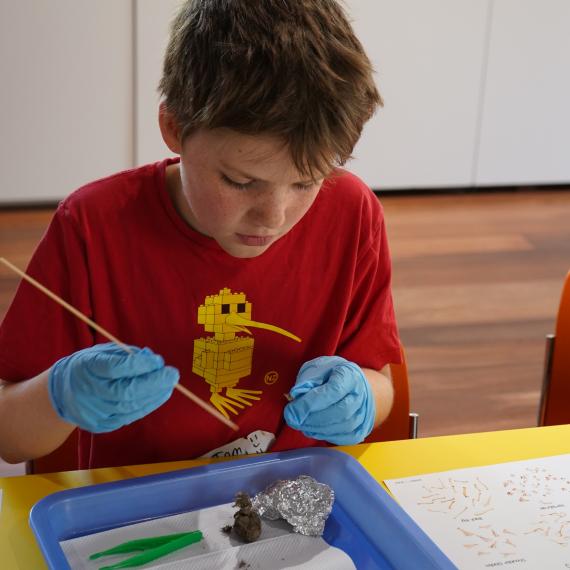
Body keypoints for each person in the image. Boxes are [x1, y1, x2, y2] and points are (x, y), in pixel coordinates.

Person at [0, 0, 401, 470]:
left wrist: (362, 400)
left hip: (294, 494)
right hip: (137, 506)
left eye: (305, 181)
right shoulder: (92, 225)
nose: (272, 217)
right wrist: (59, 396)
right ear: (174, 127)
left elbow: (382, 382)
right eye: (239, 181)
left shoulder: (351, 212)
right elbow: (10, 437)